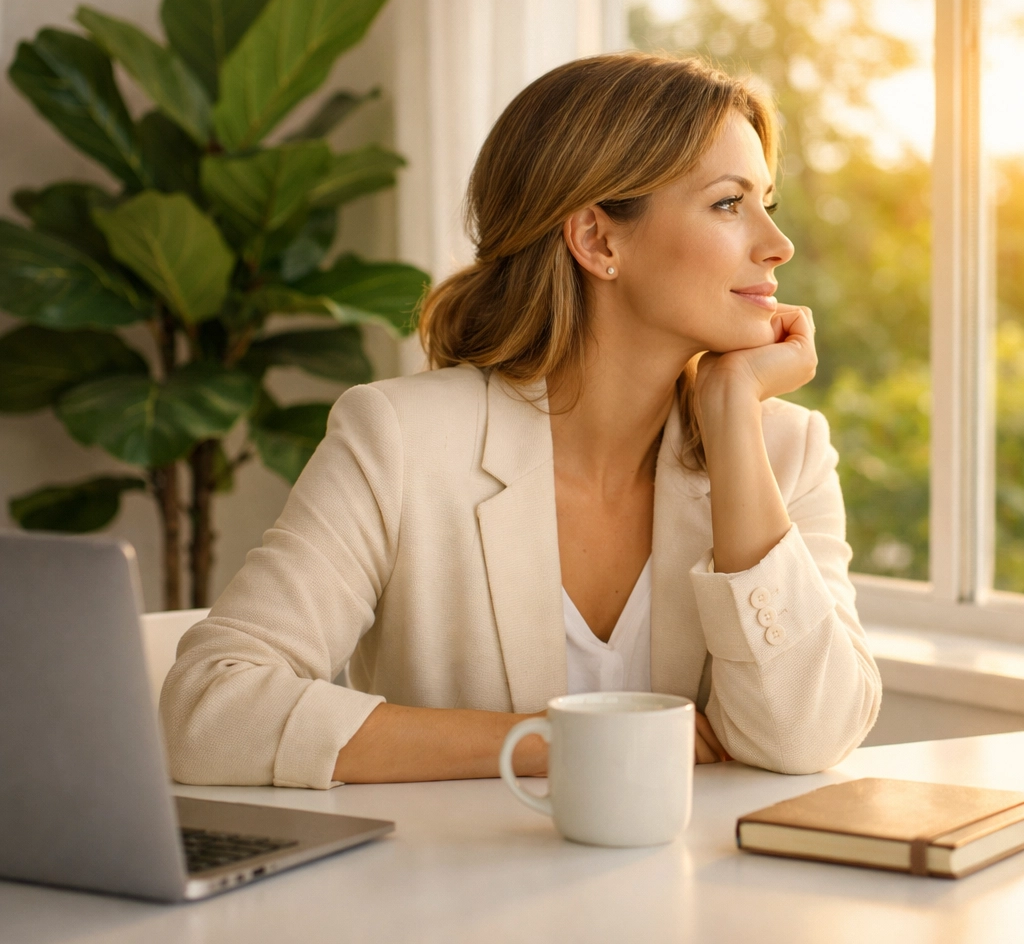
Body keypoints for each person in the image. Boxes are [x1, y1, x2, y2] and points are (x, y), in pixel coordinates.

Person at [161, 52, 882, 789]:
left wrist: (731, 418)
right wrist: (559, 742)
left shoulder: (783, 452)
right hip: (451, 896)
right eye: (730, 204)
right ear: (598, 241)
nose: (777, 244)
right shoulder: (400, 441)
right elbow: (208, 710)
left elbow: (808, 737)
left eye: (768, 202)